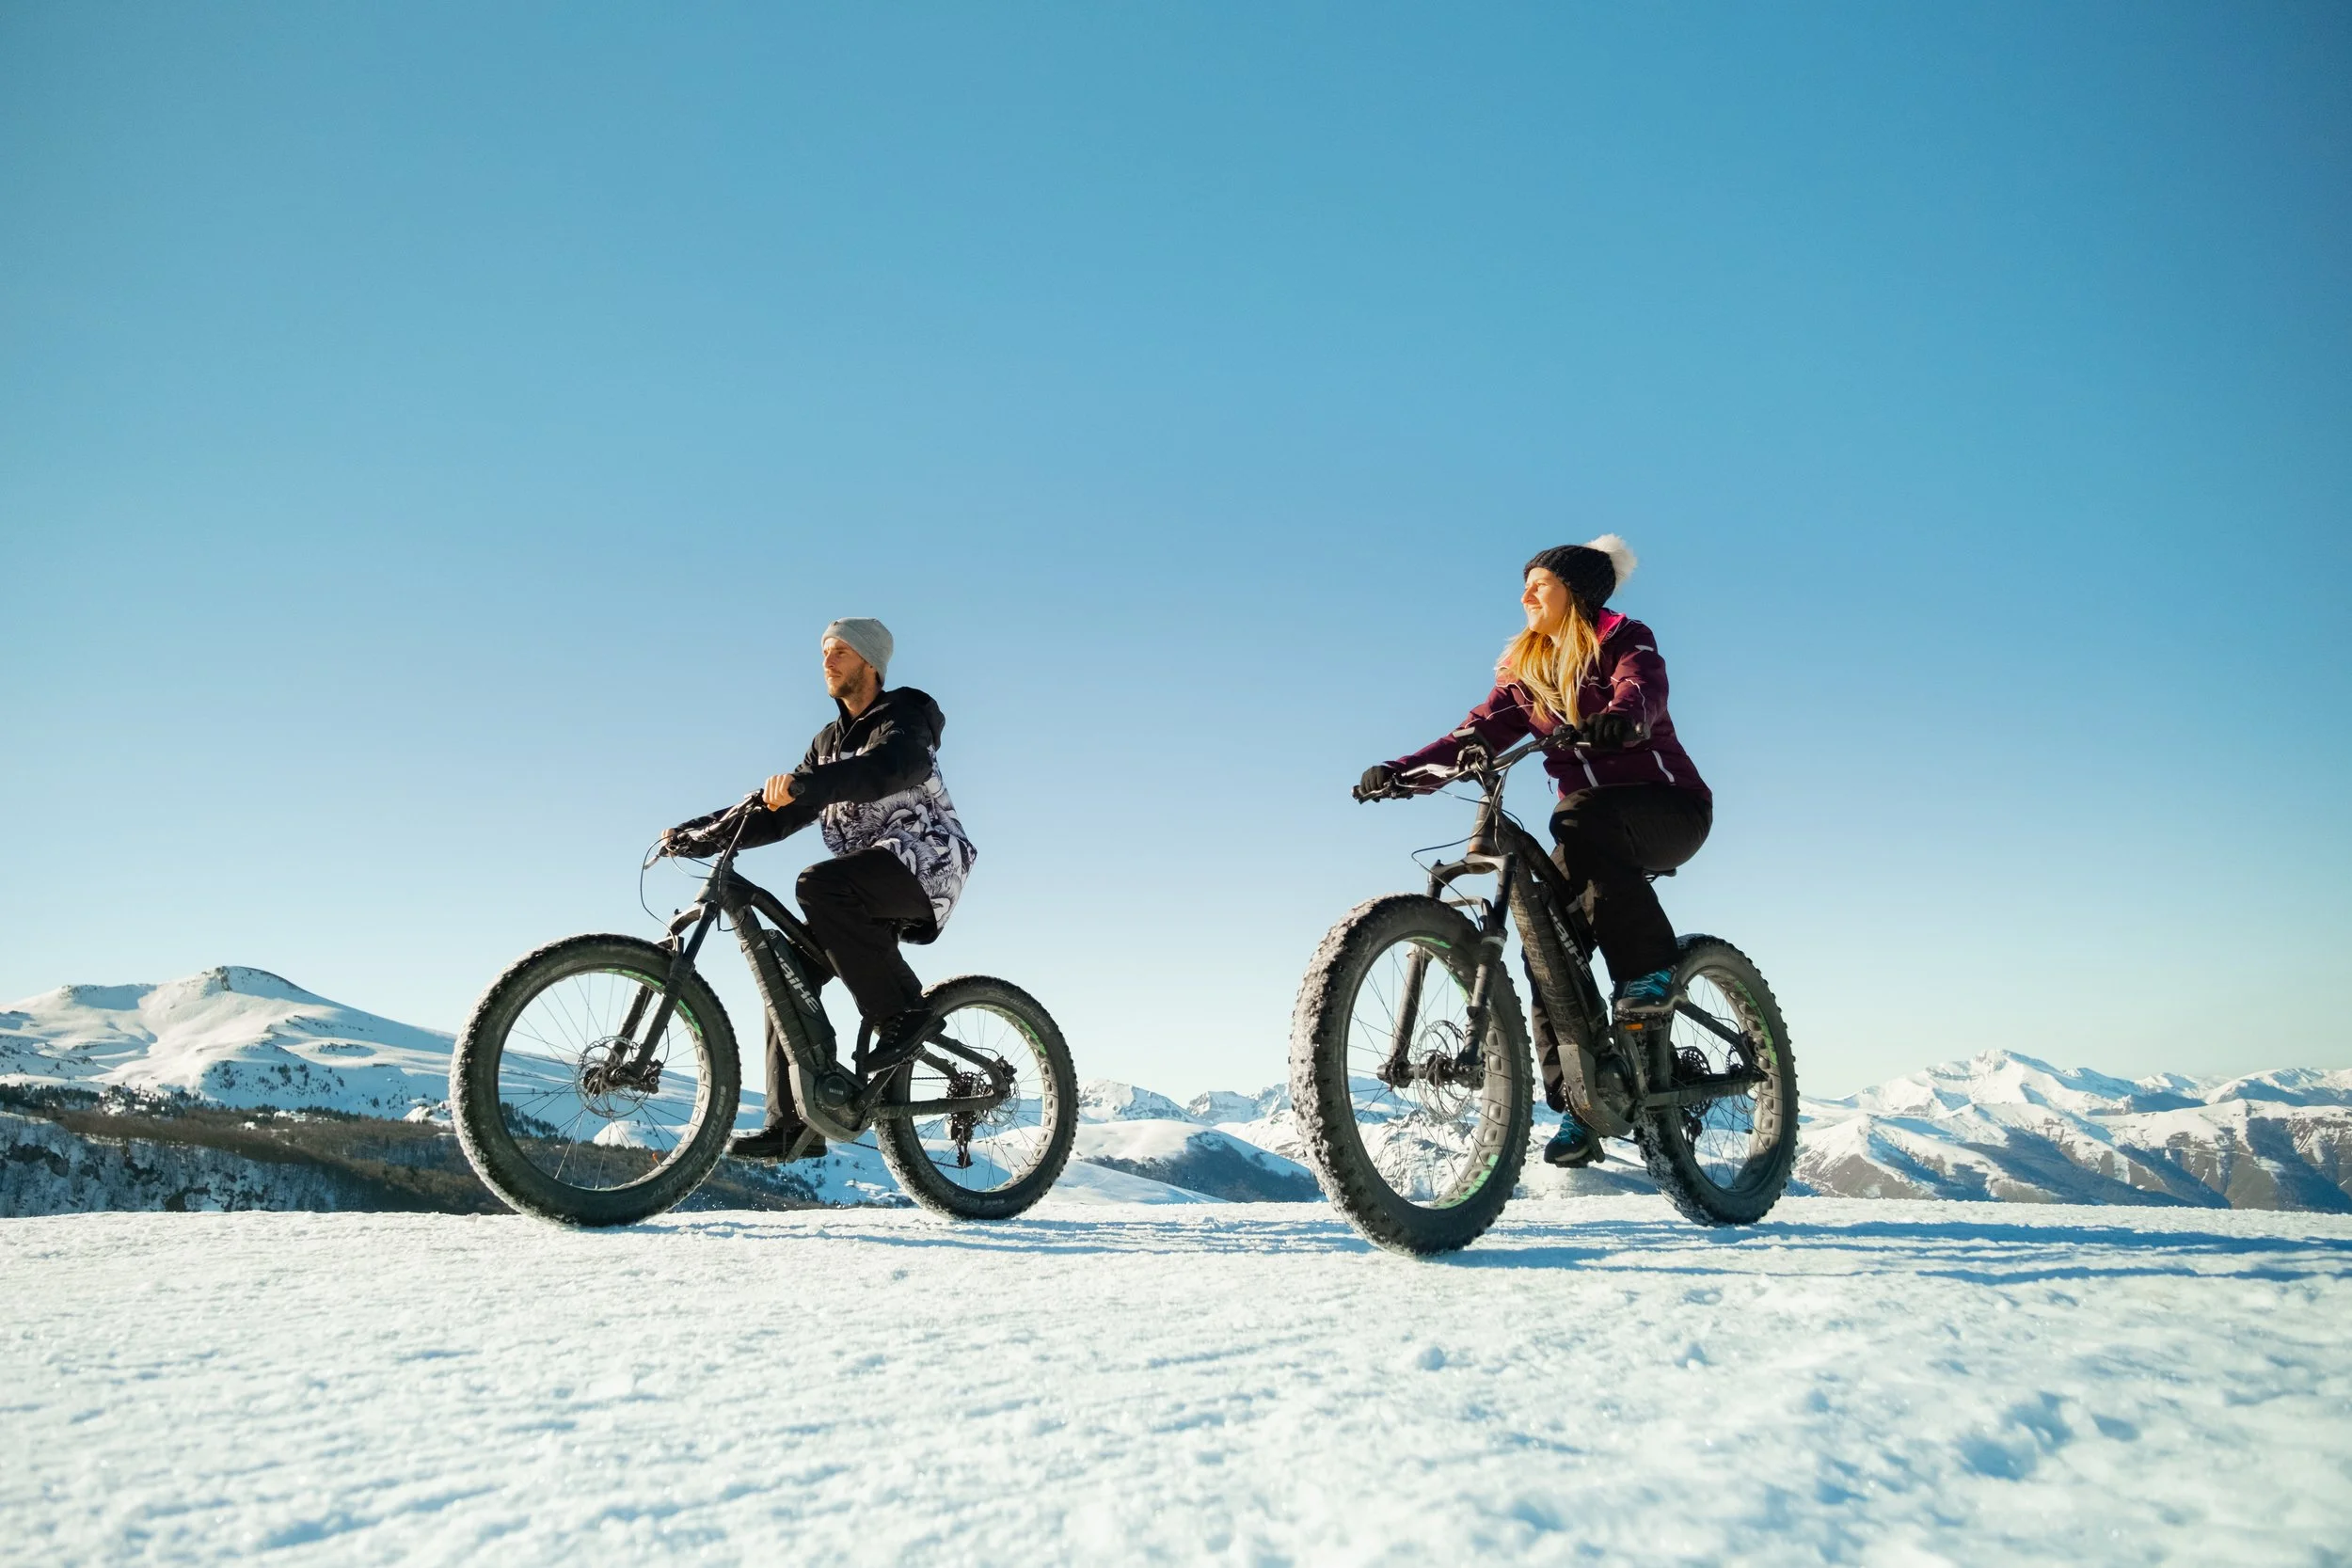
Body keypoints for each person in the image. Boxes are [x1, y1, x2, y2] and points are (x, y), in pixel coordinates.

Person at [1359, 537, 1710, 1169]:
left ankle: (1651, 969)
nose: (1525, 596)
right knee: (1547, 941)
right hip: (1591, 831)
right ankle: (1581, 1101)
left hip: (1668, 808)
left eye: (1539, 584)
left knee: (1579, 815)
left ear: (1575, 593)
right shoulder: (1527, 673)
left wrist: (1621, 720)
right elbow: (1475, 732)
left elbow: (1641, 689)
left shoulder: (1625, 640)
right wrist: (1403, 772)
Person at [664, 617, 977, 1161]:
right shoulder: (826, 744)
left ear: (870, 664)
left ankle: (902, 1015)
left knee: (817, 883)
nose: (827, 661)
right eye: (824, 652)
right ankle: (794, 1127)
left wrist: (807, 785)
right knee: (787, 975)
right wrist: (699, 835)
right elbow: (781, 813)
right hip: (863, 885)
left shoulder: (905, 716)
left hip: (926, 863)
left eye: (840, 652)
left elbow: (889, 768)